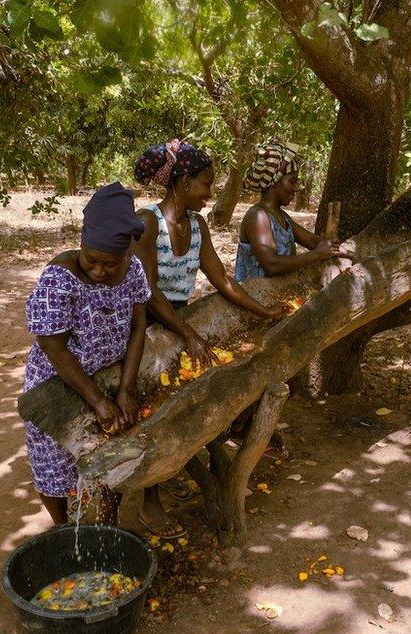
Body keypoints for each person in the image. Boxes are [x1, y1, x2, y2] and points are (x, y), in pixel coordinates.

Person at [130, 139, 284, 537]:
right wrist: (188, 334)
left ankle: (190, 467)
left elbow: (222, 279)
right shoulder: (148, 223)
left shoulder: (196, 226)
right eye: (205, 184)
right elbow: (147, 291)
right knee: (156, 412)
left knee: (195, 398)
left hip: (179, 321)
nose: (209, 193)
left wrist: (263, 310)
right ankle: (150, 503)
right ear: (182, 183)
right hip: (144, 326)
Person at [21, 182, 150, 526]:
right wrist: (97, 400)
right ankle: (63, 527)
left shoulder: (133, 271)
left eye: (109, 264)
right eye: (90, 259)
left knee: (107, 456)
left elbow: (139, 327)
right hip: (56, 384)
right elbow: (55, 349)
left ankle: (107, 523)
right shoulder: (59, 277)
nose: (98, 271)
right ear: (81, 240)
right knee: (54, 462)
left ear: (125, 254)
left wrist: (124, 389)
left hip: (105, 378)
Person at [236, 140, 352, 280]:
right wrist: (317, 254)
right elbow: (272, 265)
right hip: (256, 296)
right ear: (274, 182)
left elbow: (313, 242)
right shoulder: (258, 216)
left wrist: (344, 252)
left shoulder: (281, 216)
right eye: (292, 181)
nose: (296, 187)